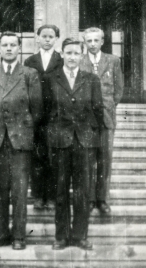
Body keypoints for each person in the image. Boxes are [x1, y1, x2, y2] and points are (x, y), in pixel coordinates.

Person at [0, 31, 42, 250]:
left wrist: (20, 127)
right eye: (4, 45)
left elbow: (37, 109)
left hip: (20, 140)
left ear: (19, 48)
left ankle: (19, 237)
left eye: (13, 45)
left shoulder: (29, 74)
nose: (8, 48)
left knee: (20, 190)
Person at [44, 38, 104, 250]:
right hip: (60, 142)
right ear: (62, 53)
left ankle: (80, 236)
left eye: (76, 53)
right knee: (60, 191)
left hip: (84, 142)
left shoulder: (92, 79)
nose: (72, 57)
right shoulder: (51, 79)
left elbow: (98, 110)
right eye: (68, 53)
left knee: (83, 191)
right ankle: (61, 236)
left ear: (82, 55)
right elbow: (45, 111)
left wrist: (91, 137)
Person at [80, 27, 124, 214]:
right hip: (86, 121)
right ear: (85, 42)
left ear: (102, 41)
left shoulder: (113, 61)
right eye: (88, 41)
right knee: (88, 161)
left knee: (105, 161)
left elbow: (118, 89)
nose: (92, 44)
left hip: (106, 118)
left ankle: (103, 200)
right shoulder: (80, 61)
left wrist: (107, 106)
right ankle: (89, 199)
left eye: (95, 40)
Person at [24, 24, 63, 210]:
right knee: (37, 157)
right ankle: (38, 196)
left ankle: (53, 196)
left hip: (56, 117)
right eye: (44, 36)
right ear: (37, 38)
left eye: (51, 36)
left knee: (54, 157)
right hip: (35, 116)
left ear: (56, 39)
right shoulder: (30, 61)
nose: (47, 39)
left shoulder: (61, 60)